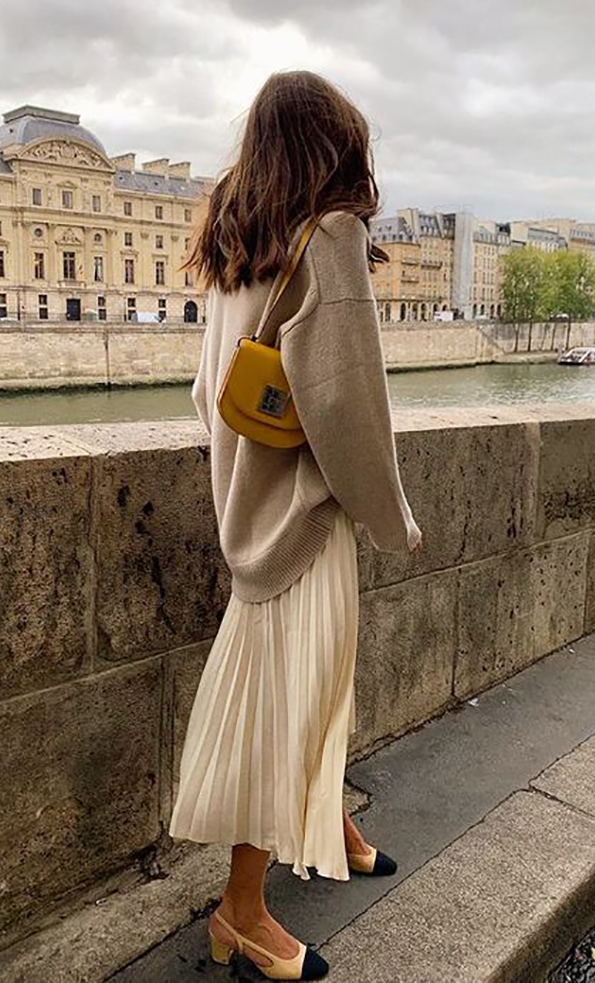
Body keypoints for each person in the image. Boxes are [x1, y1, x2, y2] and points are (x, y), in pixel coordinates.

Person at [168, 69, 422, 981]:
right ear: (333, 147)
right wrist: (390, 513)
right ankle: (240, 910)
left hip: (247, 511)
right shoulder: (333, 238)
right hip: (307, 526)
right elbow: (353, 410)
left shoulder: (237, 244)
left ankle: (334, 825)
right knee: (294, 703)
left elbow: (210, 392)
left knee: (308, 691)